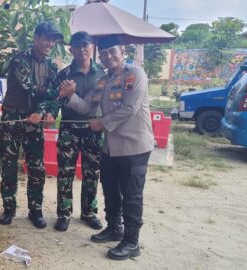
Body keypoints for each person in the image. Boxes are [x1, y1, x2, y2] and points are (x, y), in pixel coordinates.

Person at [86, 35, 154, 260]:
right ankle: (115, 228)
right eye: (103, 54)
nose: (107, 57)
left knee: (132, 196)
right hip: (111, 148)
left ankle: (132, 242)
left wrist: (102, 123)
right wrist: (69, 96)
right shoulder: (104, 80)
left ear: (122, 50)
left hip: (134, 147)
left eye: (112, 52)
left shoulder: (135, 75)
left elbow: (130, 107)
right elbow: (88, 105)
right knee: (111, 190)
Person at [0, 21, 62, 229]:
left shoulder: (52, 65)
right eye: (46, 38)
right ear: (35, 38)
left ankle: (35, 210)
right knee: (9, 166)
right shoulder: (20, 60)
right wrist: (55, 96)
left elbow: (53, 96)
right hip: (14, 117)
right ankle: (9, 209)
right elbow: (33, 90)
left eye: (52, 40)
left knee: (36, 166)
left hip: (35, 121)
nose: (50, 43)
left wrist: (47, 110)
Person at [54, 31, 105, 232]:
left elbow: (95, 106)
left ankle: (89, 212)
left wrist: (71, 95)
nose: (82, 49)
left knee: (92, 172)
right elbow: (55, 100)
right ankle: (63, 213)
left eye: (86, 45)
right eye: (78, 46)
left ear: (92, 47)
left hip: (93, 129)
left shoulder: (102, 73)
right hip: (69, 129)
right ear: (71, 50)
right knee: (65, 172)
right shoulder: (63, 75)